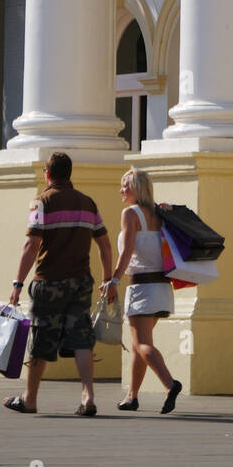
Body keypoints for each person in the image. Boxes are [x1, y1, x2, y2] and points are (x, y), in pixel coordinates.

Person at [4, 150, 112, 417]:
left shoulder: (41, 203)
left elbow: (32, 244)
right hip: (81, 281)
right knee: (82, 338)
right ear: (69, 174)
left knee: (41, 337)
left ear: (48, 174)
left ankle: (29, 399)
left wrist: (18, 283)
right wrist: (109, 279)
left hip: (49, 283)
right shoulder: (88, 203)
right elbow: (105, 244)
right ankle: (88, 396)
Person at [101, 167, 182, 414]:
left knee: (142, 344)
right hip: (162, 287)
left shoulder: (131, 214)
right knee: (140, 343)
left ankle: (170, 384)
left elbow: (126, 252)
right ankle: (131, 396)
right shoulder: (160, 212)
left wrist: (113, 280)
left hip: (142, 287)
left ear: (136, 188)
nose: (121, 190)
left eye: (125, 185)